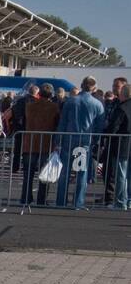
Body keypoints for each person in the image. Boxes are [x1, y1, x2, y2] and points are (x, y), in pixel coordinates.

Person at [56, 76, 105, 209]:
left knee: (65, 172)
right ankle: (78, 202)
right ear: (94, 87)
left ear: (82, 85)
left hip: (69, 139)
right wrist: (95, 140)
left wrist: (58, 140)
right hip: (85, 142)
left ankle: (61, 201)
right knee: (81, 173)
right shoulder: (97, 104)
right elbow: (100, 126)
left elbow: (63, 122)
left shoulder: (71, 101)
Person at [21, 83, 60, 206]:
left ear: (39, 93)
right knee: (44, 174)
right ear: (51, 94)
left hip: (30, 142)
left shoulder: (29, 106)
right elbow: (56, 124)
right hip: (46, 143)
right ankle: (41, 199)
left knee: (28, 174)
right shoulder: (54, 107)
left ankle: (26, 198)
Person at [104, 82, 131, 210]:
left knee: (121, 176)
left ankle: (120, 202)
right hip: (126, 144)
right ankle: (129, 200)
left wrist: (106, 134)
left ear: (123, 94)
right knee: (128, 176)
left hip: (122, 145)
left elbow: (114, 127)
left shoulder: (122, 108)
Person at [10, 83, 36, 173]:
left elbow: (14, 112)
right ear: (36, 93)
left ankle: (15, 167)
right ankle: (27, 167)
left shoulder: (20, 101)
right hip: (31, 129)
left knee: (17, 149)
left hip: (19, 129)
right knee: (29, 150)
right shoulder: (36, 102)